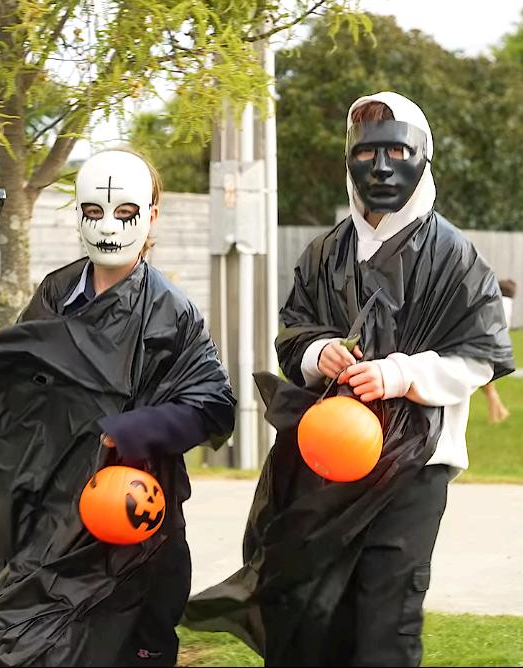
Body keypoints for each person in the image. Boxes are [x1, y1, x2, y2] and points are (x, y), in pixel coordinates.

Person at [184, 92, 514, 666]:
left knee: (388, 618)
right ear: (349, 159)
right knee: (315, 609)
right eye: (366, 153)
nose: (381, 167)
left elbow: (478, 356)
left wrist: (399, 374)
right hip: (326, 462)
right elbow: (294, 336)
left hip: (413, 467)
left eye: (396, 152)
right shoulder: (324, 255)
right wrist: (321, 353)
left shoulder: (453, 257)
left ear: (423, 156)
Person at [0, 148, 236, 667]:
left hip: (125, 518)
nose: (108, 225)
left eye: (125, 213)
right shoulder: (58, 292)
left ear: (151, 215)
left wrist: (133, 430)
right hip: (49, 513)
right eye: (93, 211)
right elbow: (18, 373)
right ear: (79, 214)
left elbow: (213, 404)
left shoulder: (172, 313)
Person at [482, 279, 517, 422]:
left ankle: (498, 413)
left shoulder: (497, 302)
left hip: (486, 346)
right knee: (487, 386)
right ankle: (498, 412)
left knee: (487, 386)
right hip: (496, 348)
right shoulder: (508, 304)